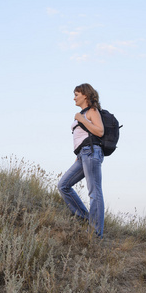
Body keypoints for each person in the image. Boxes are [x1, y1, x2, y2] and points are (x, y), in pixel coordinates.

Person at [58, 83, 105, 238]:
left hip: (91, 153)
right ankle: (85, 218)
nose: (74, 98)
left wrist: (81, 119)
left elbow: (99, 131)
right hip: (82, 155)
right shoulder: (84, 113)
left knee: (94, 191)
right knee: (63, 185)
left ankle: (95, 232)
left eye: (76, 94)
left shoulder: (92, 111)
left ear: (85, 95)